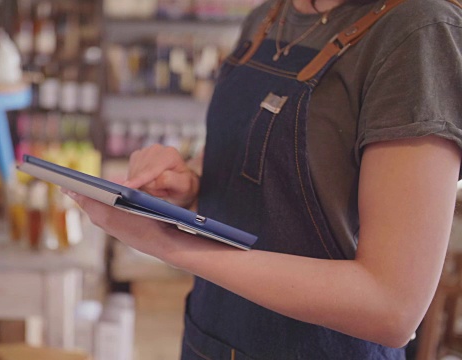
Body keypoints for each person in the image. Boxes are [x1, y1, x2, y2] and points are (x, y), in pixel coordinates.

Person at [64, 0, 462, 358]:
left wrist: (165, 242)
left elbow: (391, 308)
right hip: (209, 337)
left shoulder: (419, 32)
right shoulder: (267, 18)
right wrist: (190, 181)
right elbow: (259, 163)